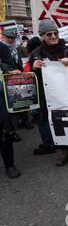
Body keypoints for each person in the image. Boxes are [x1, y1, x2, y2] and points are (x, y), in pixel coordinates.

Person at [29, 20, 68, 168]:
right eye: (49, 34)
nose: (53, 36)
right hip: (51, 96)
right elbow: (28, 78)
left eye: (55, 33)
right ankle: (64, 150)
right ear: (42, 37)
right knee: (58, 122)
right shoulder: (36, 53)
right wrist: (34, 69)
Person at [0, 41, 21, 178]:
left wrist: (7, 69)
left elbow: (9, 64)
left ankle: (9, 165)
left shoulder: (2, 47)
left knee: (4, 133)